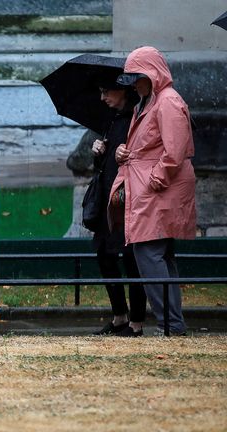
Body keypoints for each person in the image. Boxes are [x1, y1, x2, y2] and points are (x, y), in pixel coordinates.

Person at [111, 46, 196, 336]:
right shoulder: (148, 103)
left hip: (158, 191)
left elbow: (175, 151)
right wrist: (123, 153)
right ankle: (172, 325)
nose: (134, 83)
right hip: (152, 191)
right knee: (157, 256)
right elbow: (153, 146)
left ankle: (170, 326)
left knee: (149, 255)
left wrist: (154, 180)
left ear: (152, 74)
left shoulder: (168, 102)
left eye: (138, 76)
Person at [88, 76, 146, 337]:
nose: (102, 98)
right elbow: (103, 167)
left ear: (123, 89)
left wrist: (124, 154)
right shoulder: (110, 119)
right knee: (104, 254)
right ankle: (119, 316)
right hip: (107, 199)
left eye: (106, 91)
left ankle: (136, 322)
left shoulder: (138, 117)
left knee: (132, 259)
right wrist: (98, 152)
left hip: (128, 200)